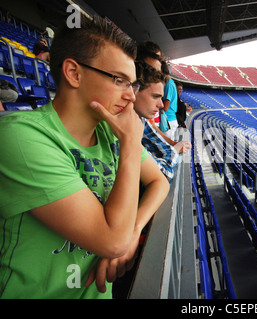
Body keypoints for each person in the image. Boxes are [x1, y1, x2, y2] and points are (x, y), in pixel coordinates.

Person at [0, 15, 169, 299]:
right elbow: (112, 242)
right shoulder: (20, 137)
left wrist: (133, 230)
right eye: (119, 80)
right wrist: (130, 144)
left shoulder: (108, 131)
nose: (130, 96)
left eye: (133, 84)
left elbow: (159, 182)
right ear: (74, 73)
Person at [133, 61, 182, 182]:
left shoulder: (141, 121)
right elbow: (163, 174)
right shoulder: (126, 128)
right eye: (155, 96)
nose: (160, 104)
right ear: (133, 91)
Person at [161, 60, 178, 140]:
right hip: (169, 120)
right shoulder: (170, 83)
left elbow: (165, 107)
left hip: (168, 121)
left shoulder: (168, 84)